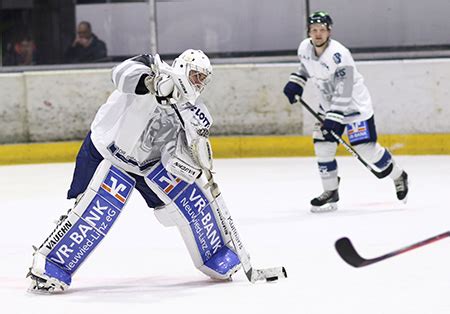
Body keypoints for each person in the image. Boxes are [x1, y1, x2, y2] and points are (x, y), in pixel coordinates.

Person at [27, 49, 242, 293]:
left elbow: (186, 151)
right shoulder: (153, 66)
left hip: (147, 167)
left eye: (203, 79)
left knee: (186, 207)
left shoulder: (196, 112)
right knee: (90, 210)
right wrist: (150, 82)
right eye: (195, 76)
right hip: (106, 151)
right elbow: (119, 75)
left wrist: (192, 157)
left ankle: (217, 253)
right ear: (182, 66)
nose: (198, 83)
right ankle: (51, 264)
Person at [283, 11, 409, 213]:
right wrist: (296, 82)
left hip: (354, 108)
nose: (317, 34)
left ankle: (398, 175)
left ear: (329, 31)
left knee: (366, 149)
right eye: (314, 30)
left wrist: (334, 117)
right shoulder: (305, 48)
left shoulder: (339, 55)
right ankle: (330, 191)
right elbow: (306, 67)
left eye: (322, 30)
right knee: (323, 146)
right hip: (329, 108)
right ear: (309, 31)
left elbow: (345, 87)